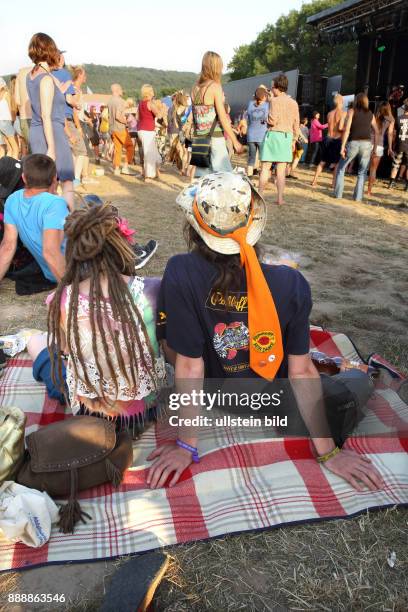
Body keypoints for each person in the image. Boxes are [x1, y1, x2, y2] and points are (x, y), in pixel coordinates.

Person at [148, 171, 384, 491]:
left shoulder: (179, 270)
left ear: (194, 229)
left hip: (216, 394)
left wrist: (187, 445)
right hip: (274, 399)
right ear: (254, 224)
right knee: (355, 380)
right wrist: (328, 452)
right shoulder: (291, 283)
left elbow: (189, 364)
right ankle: (366, 373)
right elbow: (300, 371)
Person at [46, 201, 165, 420]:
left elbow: (65, 350)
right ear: (122, 244)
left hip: (90, 412)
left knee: (41, 347)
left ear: (75, 250)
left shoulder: (59, 300)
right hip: (144, 412)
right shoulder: (153, 290)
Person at [0, 154, 68, 286]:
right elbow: (50, 252)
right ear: (54, 179)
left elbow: (7, 246)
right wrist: (70, 288)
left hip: (49, 273)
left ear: (24, 178)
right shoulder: (55, 203)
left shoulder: (12, 199)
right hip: (70, 270)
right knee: (93, 202)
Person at [26, 33, 75, 210]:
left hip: (37, 132)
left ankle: (47, 221)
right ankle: (71, 224)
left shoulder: (32, 75)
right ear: (50, 49)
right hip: (51, 131)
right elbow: (46, 115)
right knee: (67, 179)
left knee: (45, 182)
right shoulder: (46, 79)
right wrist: (52, 148)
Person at [191, 51, 243, 176]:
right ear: (216, 67)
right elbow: (223, 117)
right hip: (215, 138)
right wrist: (235, 141)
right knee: (223, 178)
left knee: (203, 180)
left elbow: (195, 118)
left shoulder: (194, 88)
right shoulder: (214, 87)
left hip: (200, 139)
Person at [258, 74, 300, 204]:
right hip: (286, 137)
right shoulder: (293, 103)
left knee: (266, 167)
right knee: (281, 171)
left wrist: (265, 117)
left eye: (271, 88)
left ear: (277, 88)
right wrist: (294, 140)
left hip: (273, 135)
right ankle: (280, 199)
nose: (271, 90)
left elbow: (272, 121)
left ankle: (260, 196)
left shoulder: (274, 102)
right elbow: (296, 123)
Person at [334, 93, 378, 201]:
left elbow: (347, 130)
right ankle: (358, 198)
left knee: (341, 168)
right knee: (362, 172)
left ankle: (338, 195)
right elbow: (377, 131)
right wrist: (375, 148)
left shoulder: (351, 111)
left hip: (353, 142)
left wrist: (342, 146)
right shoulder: (371, 114)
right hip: (367, 144)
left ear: (356, 101)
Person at [311, 94, 346, 188]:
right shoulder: (343, 113)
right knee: (336, 163)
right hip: (336, 140)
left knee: (322, 161)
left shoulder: (329, 113)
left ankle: (314, 180)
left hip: (327, 138)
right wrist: (347, 129)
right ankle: (333, 183)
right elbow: (340, 127)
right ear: (341, 101)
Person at [108, 83, 135, 176]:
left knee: (118, 149)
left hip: (112, 128)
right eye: (121, 89)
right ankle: (125, 167)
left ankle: (116, 169)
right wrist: (126, 122)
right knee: (130, 147)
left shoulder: (110, 101)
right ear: (117, 90)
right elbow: (118, 116)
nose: (122, 91)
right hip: (120, 128)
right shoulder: (120, 101)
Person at [368, 102, 394, 195]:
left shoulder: (374, 115)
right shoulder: (391, 119)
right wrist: (390, 148)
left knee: (364, 168)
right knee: (373, 169)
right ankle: (369, 191)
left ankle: (359, 188)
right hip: (379, 145)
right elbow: (390, 134)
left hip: (368, 143)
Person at [137, 84, 162, 180]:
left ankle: (155, 173)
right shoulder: (150, 103)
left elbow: (137, 117)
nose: (153, 92)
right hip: (148, 130)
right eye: (152, 90)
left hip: (140, 129)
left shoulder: (140, 103)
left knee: (152, 151)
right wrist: (161, 110)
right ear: (149, 92)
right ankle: (148, 175)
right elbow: (158, 115)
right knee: (149, 153)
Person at [246, 87, 269, 177]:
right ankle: (262, 178)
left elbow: (247, 116)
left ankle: (249, 178)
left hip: (251, 135)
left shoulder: (250, 104)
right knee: (263, 158)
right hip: (262, 136)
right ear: (264, 96)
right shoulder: (267, 105)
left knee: (251, 158)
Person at [388, 98, 408, 190]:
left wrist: (391, 145)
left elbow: (393, 133)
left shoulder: (398, 118)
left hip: (399, 145)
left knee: (395, 164)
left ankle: (391, 183)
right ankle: (407, 187)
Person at [14, 66, 33, 152]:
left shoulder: (20, 73)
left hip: (23, 117)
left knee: (30, 150)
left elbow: (17, 100)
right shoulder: (41, 71)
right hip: (37, 117)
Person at [0, 78, 19, 160]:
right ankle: (15, 168)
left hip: (1, 123)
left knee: (9, 148)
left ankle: (5, 167)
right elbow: (12, 109)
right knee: (16, 148)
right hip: (6, 122)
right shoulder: (6, 94)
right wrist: (13, 120)